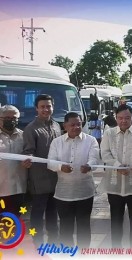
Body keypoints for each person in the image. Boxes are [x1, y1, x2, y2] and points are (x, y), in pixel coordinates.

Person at [99, 104, 132, 248]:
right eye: (120, 118)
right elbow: (104, 154)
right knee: (116, 220)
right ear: (116, 118)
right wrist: (117, 165)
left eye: (127, 118)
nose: (123, 121)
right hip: (114, 185)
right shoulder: (109, 134)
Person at [47, 112, 99, 248]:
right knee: (65, 229)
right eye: (72, 125)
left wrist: (89, 166)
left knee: (84, 228)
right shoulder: (57, 142)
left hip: (85, 193)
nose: (76, 127)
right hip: (64, 194)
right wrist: (60, 167)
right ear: (65, 126)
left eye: (79, 124)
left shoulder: (91, 140)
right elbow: (50, 163)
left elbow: (94, 159)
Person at [23, 94, 61, 246]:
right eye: (42, 107)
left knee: (53, 213)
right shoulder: (31, 129)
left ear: (52, 107)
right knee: (38, 214)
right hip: (39, 181)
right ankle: (37, 243)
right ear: (36, 109)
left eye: (48, 106)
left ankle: (53, 242)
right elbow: (28, 151)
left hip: (56, 179)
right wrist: (28, 158)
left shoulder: (57, 125)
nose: (46, 109)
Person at [0, 105, 31, 217]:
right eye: (7, 118)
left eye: (13, 118)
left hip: (18, 188)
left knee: (14, 221)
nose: (10, 121)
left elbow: (29, 154)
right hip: (1, 187)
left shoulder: (23, 136)